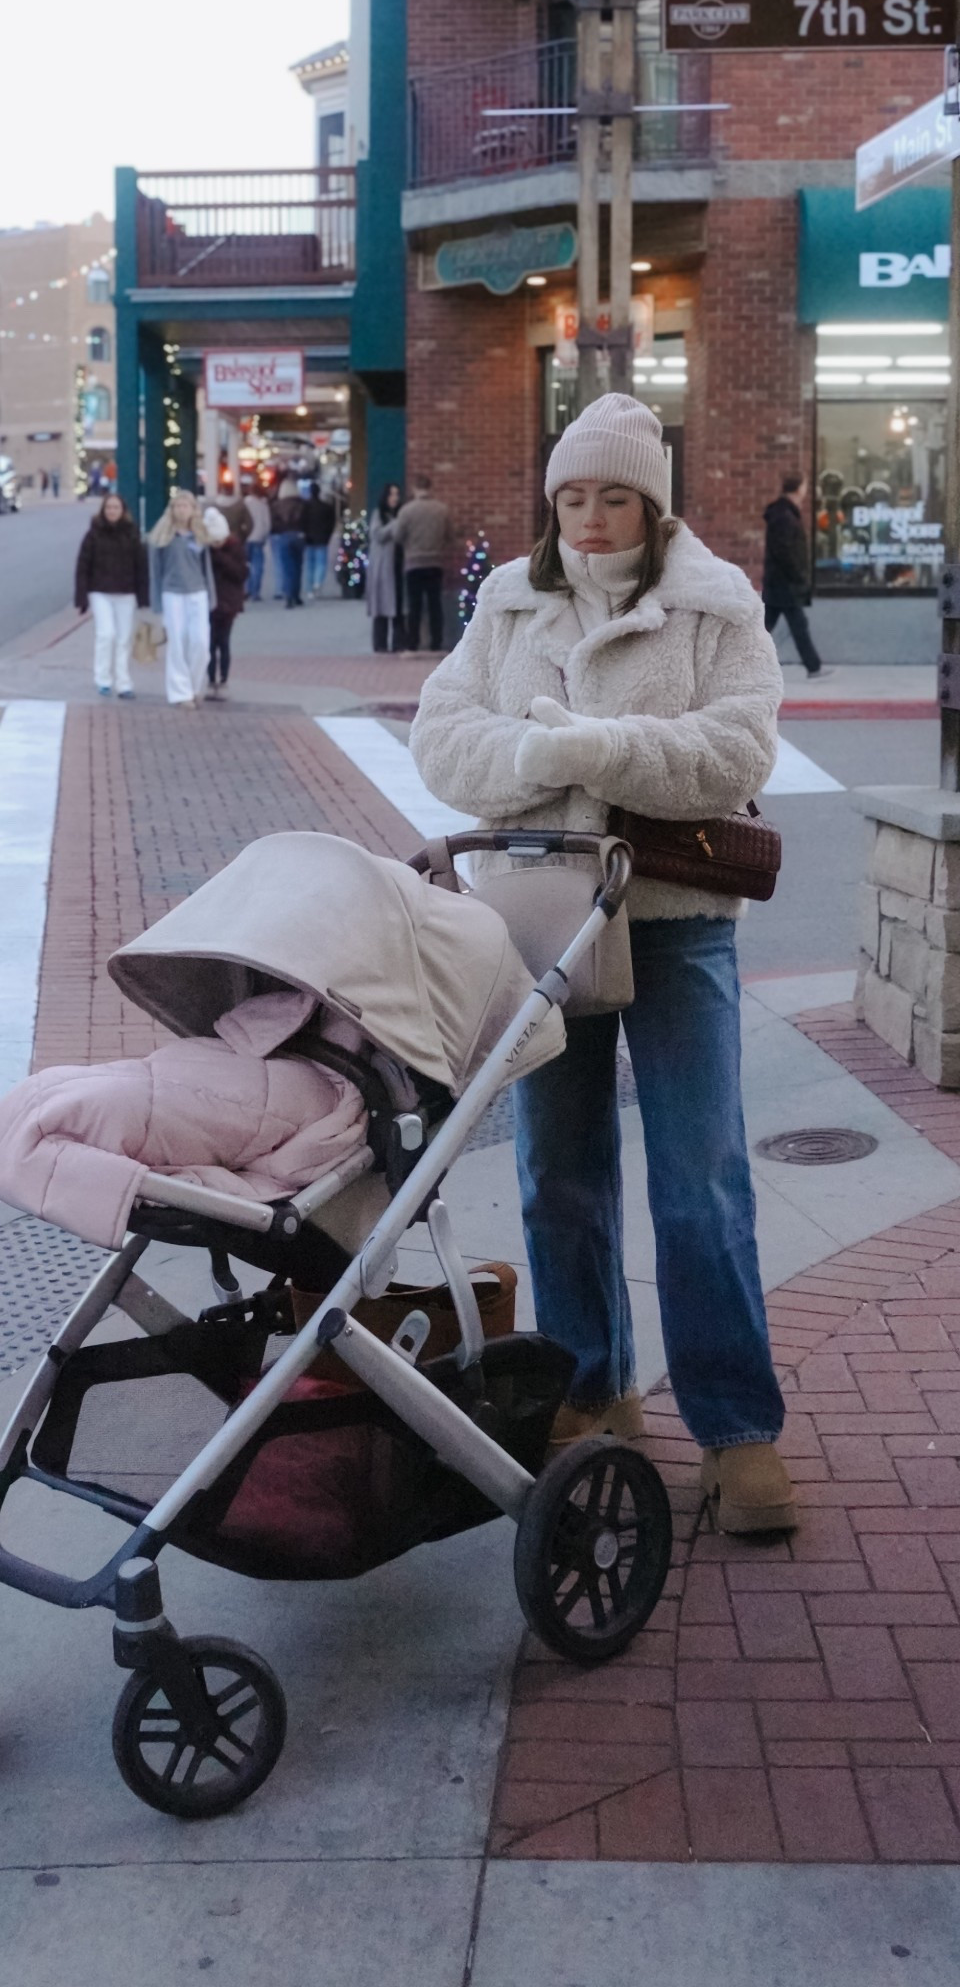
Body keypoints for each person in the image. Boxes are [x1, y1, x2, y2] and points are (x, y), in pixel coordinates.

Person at [408, 392, 795, 1537]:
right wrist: (538, 752)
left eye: (613, 496)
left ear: (654, 504)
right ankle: (590, 1390)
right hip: (543, 916)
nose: (588, 518)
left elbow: (739, 747)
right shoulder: (508, 602)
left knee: (702, 1182)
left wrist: (607, 749)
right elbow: (442, 736)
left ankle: (737, 1430)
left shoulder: (717, 606)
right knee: (556, 1174)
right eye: (571, 496)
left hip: (676, 920)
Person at [74, 491, 148, 700]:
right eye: (108, 508)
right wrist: (82, 597)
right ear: (103, 510)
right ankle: (103, 679)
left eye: (116, 508)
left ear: (122, 511)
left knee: (124, 638)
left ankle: (123, 682)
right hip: (100, 591)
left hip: (126, 592)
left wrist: (143, 597)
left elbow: (141, 566)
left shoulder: (132, 534)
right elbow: (83, 565)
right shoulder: (93, 534)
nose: (112, 511)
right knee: (106, 634)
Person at [148, 488, 216, 706]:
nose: (182, 510)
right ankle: (180, 693)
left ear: (193, 509)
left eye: (186, 506)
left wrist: (211, 596)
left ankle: (196, 687)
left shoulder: (200, 536)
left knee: (200, 643)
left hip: (198, 592)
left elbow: (207, 570)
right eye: (178, 506)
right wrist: (156, 604)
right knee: (177, 643)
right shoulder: (163, 538)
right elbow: (156, 572)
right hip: (172, 593)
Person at [763, 474, 829, 679]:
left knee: (766, 627)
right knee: (796, 626)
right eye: (805, 487)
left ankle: (814, 666)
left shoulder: (785, 513)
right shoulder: (784, 515)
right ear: (799, 489)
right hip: (785, 583)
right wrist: (798, 575)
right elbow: (784, 551)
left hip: (781, 583)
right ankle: (814, 667)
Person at [393, 474, 452, 652]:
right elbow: (450, 535)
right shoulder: (442, 510)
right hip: (435, 562)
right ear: (430, 488)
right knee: (435, 605)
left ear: (415, 489)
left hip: (413, 563)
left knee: (414, 606)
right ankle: (436, 642)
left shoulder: (406, 511)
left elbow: (397, 536)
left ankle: (413, 644)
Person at [204, 505, 248, 696]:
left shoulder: (234, 547)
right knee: (210, 643)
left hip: (229, 602)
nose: (217, 544)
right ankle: (211, 679)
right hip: (210, 601)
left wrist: (220, 558)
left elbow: (241, 573)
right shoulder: (204, 551)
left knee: (224, 642)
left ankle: (223, 680)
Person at [367, 482, 403, 653]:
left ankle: (398, 642)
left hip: (399, 564)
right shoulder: (378, 515)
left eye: (397, 494)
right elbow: (378, 535)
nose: (395, 498)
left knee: (399, 606)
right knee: (381, 606)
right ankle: (380, 643)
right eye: (391, 494)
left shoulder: (401, 515)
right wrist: (394, 524)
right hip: (382, 566)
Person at [271, 478, 306, 609]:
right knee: (298, 567)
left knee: (287, 567)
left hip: (284, 536)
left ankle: (288, 596)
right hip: (299, 535)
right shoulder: (301, 504)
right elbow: (306, 519)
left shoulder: (277, 505)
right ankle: (296, 595)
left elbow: (274, 523)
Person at [302, 483, 338, 599]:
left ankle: (310, 588)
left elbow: (302, 523)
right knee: (321, 563)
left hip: (309, 539)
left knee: (310, 564)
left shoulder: (305, 507)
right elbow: (332, 523)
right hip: (322, 538)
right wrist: (328, 535)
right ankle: (318, 583)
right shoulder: (326, 508)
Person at [245, 486, 271, 601]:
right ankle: (255, 592)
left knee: (245, 566)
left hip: (246, 538)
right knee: (258, 567)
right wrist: (264, 536)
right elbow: (267, 524)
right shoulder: (263, 505)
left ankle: (246, 590)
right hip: (258, 538)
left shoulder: (244, 503)